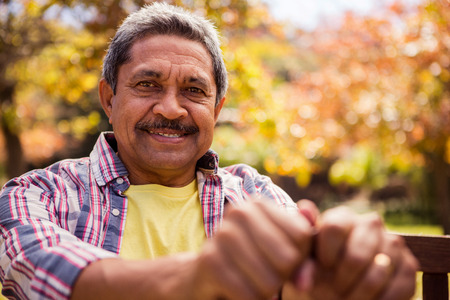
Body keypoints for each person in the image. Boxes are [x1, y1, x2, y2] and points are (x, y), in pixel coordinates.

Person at [0, 2, 418, 300]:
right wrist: (196, 280)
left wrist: (336, 279)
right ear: (109, 99)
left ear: (216, 110)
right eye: (147, 85)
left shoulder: (255, 193)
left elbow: (301, 284)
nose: (170, 108)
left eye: (194, 91)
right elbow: (42, 271)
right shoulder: (37, 193)